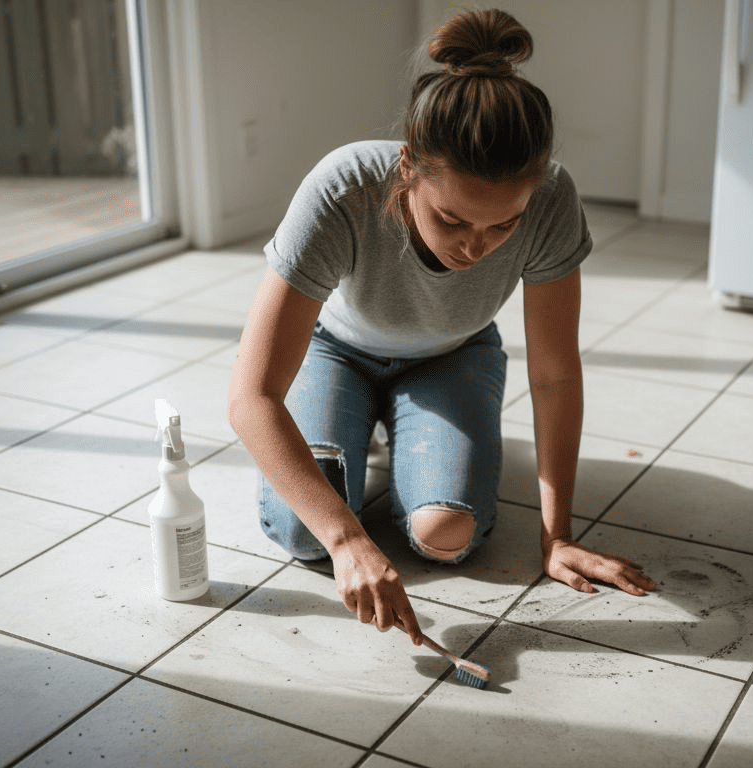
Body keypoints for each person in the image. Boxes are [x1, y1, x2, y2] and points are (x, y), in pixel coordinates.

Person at [228, 8, 655, 646]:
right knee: (303, 535)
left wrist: (557, 536)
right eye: (452, 219)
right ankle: (361, 426)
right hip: (335, 350)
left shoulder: (552, 199)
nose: (475, 247)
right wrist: (346, 541)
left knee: (445, 535)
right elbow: (251, 396)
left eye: (503, 225)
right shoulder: (342, 188)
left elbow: (555, 374)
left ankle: (392, 432)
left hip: (453, 354)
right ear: (407, 168)